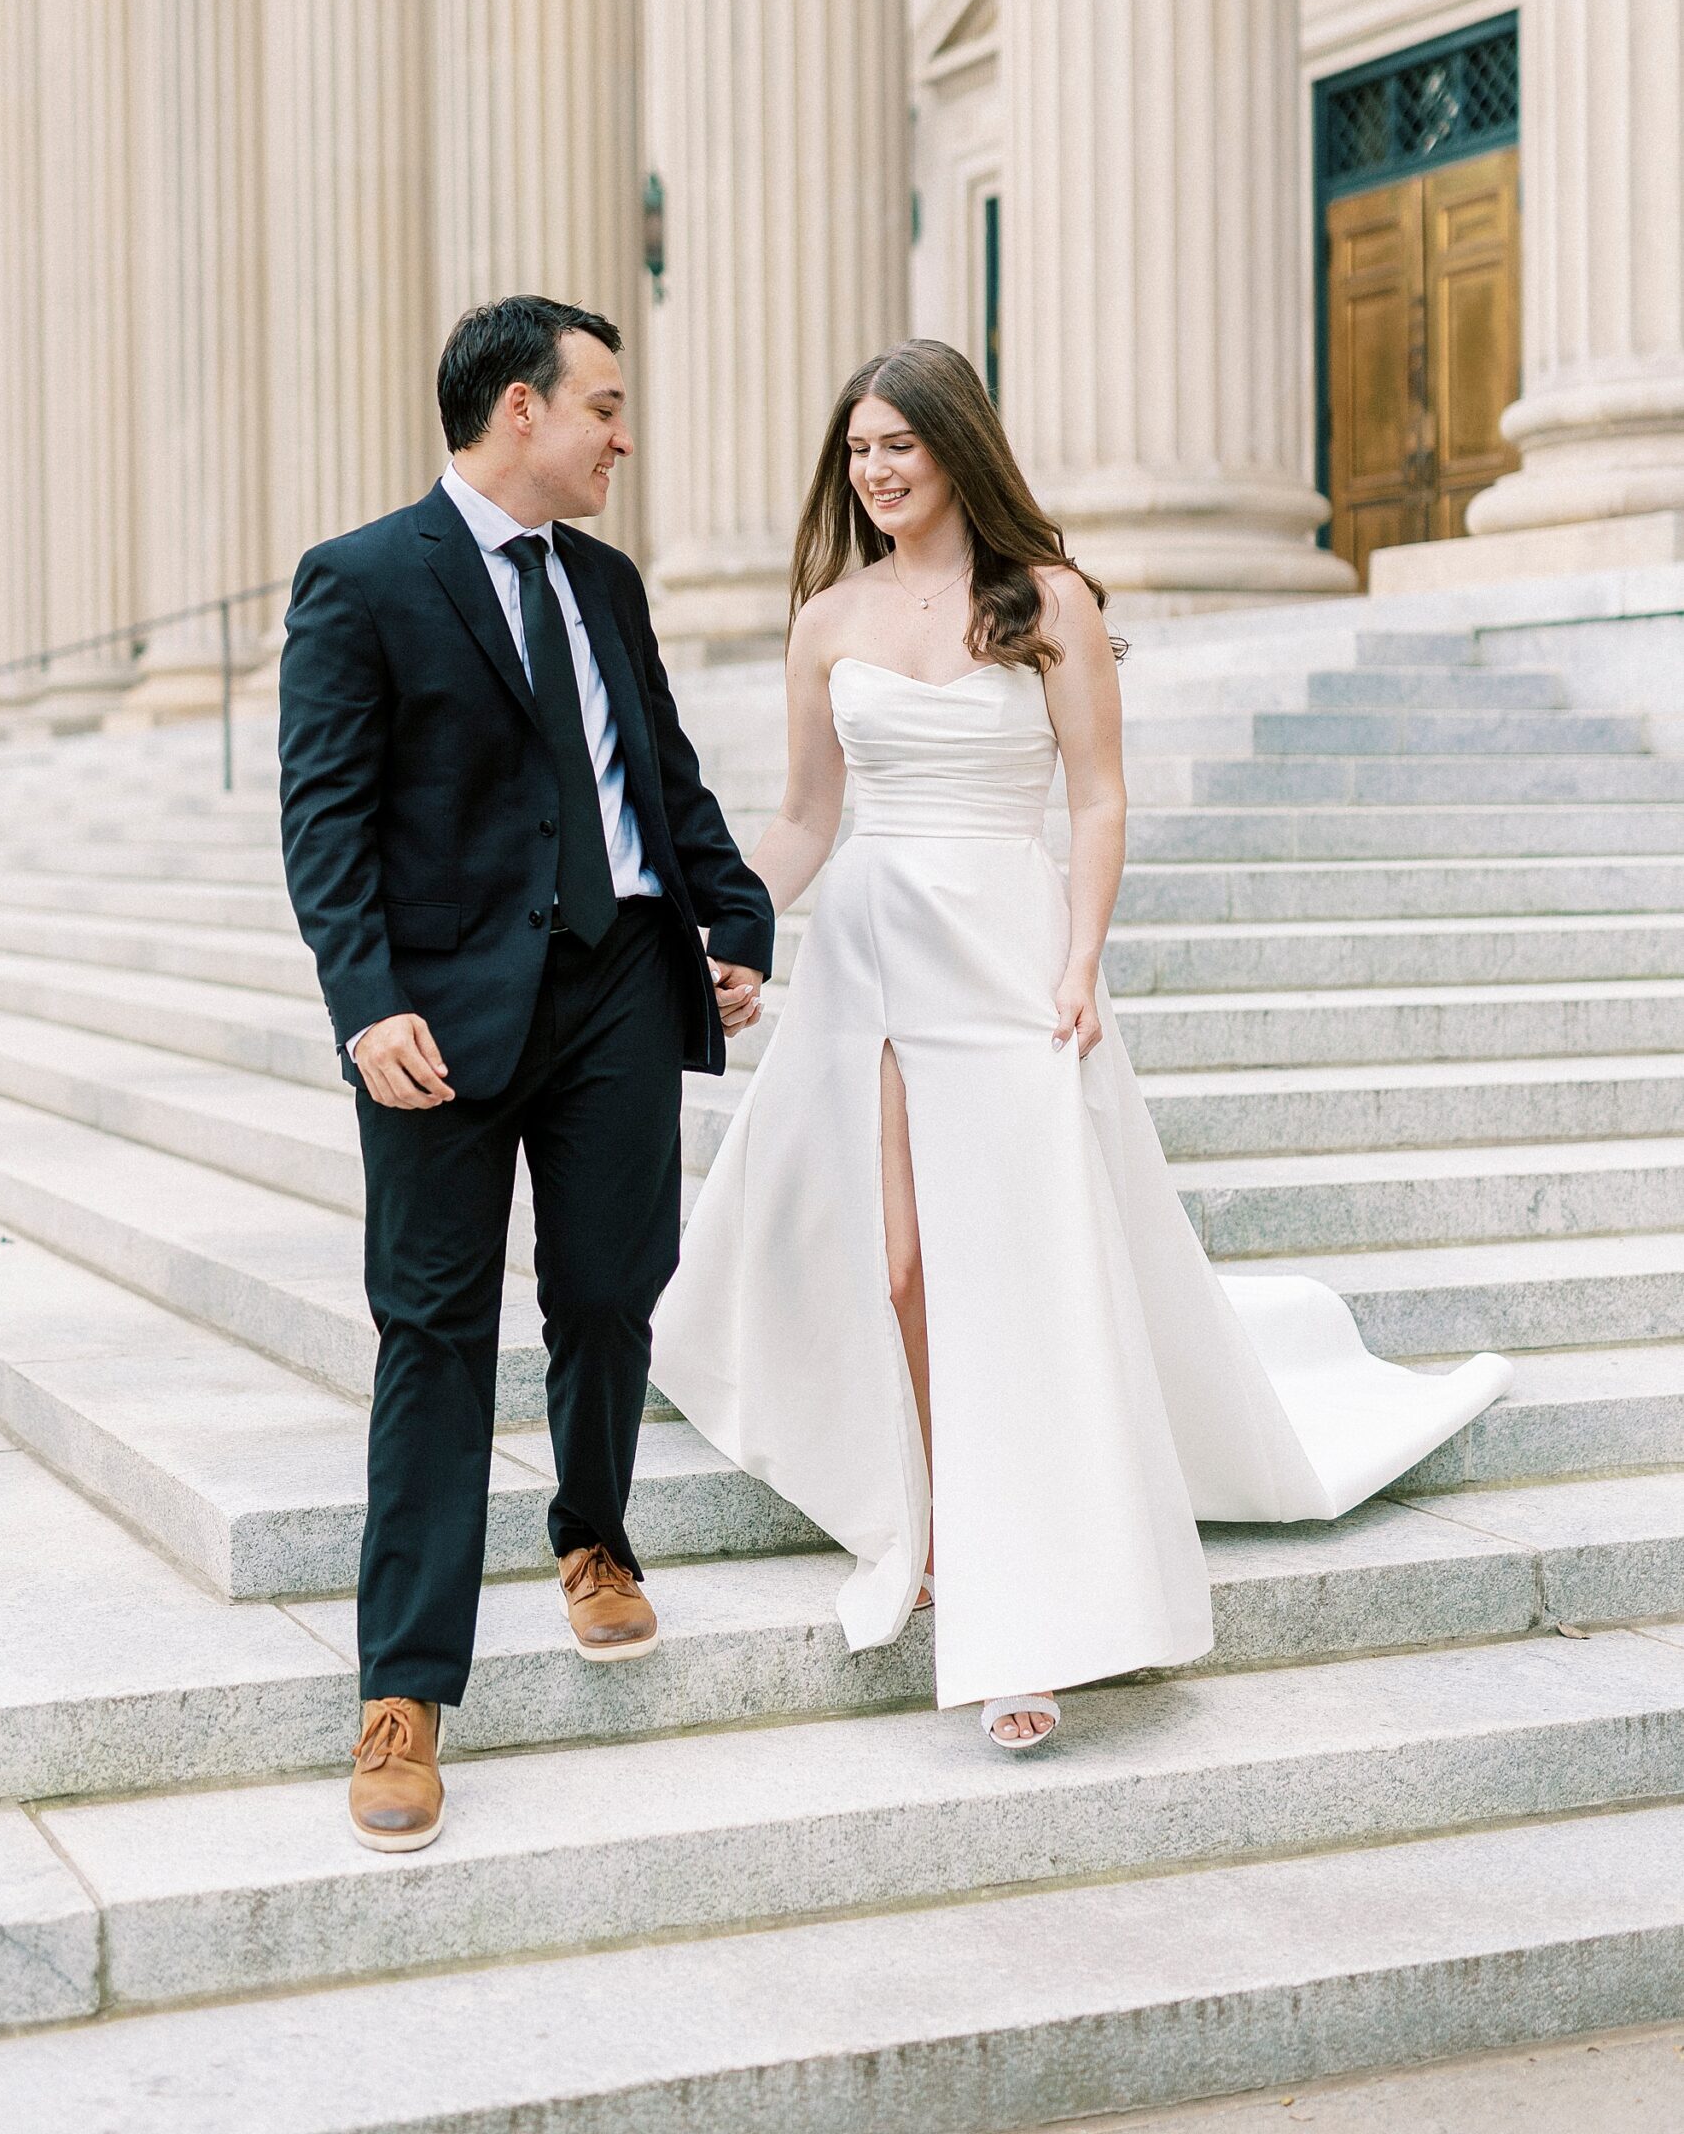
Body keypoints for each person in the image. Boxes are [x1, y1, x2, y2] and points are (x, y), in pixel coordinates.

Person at [651, 338, 1511, 1751]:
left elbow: (1100, 801)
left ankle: (1022, 1600)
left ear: (955, 448)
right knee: (903, 1261)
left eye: (897, 446)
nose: (873, 470)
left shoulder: (1046, 601)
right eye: (857, 448)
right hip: (868, 956)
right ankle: (925, 1519)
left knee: (1018, 1271)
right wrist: (724, 927)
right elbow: (807, 817)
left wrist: (1081, 959)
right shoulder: (827, 620)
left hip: (1006, 957)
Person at [278, 296, 772, 1849]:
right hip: (436, 1018)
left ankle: (594, 1537)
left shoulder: (610, 584)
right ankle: (402, 1693)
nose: (622, 436)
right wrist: (365, 1005)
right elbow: (325, 822)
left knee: (617, 1288)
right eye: (603, 407)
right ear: (517, 409)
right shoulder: (363, 581)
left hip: (620, 984)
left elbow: (659, 777)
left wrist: (734, 916)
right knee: (432, 1333)